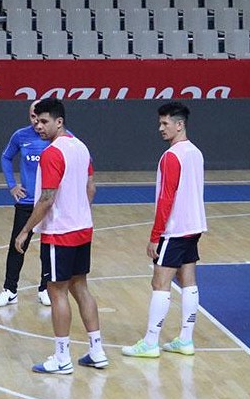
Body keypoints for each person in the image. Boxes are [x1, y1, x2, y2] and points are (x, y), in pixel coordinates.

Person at [15, 97, 107, 374]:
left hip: (59, 233)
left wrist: (25, 230)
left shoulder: (52, 153)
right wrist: (80, 212)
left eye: (44, 121)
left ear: (59, 121)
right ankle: (97, 351)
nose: (38, 126)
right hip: (83, 228)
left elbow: (47, 198)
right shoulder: (81, 147)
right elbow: (91, 188)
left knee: (57, 292)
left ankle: (62, 357)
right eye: (36, 121)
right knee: (81, 287)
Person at [121, 102, 207, 359]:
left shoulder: (171, 156)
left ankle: (150, 342)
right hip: (194, 225)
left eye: (165, 123)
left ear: (179, 125)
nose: (160, 128)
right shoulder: (196, 152)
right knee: (189, 281)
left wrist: (155, 236)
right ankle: (186, 339)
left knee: (159, 282)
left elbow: (166, 199)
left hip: (175, 228)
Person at [0, 100, 52, 308]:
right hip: (27, 202)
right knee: (17, 245)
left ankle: (45, 289)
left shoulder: (59, 138)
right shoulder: (20, 136)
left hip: (49, 202)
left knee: (48, 247)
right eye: (32, 117)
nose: (36, 122)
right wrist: (12, 185)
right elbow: (6, 157)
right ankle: (10, 290)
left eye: (40, 117)